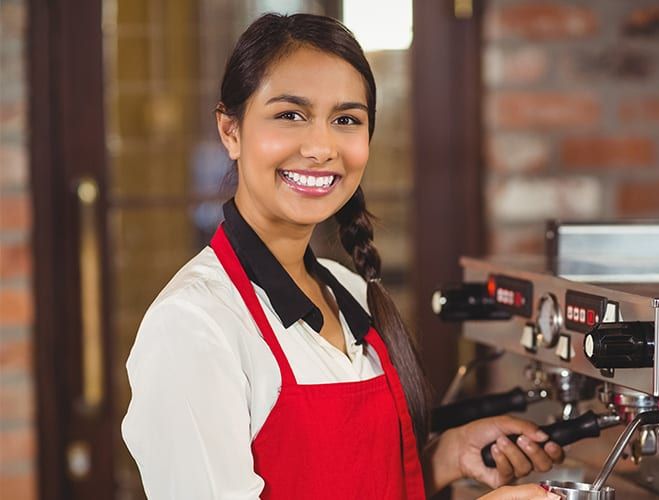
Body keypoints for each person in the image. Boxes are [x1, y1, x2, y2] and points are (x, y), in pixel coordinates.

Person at [122, 13, 563, 500]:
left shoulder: (346, 289)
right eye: (290, 115)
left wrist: (441, 458)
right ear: (230, 131)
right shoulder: (193, 324)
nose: (321, 147)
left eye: (346, 120)